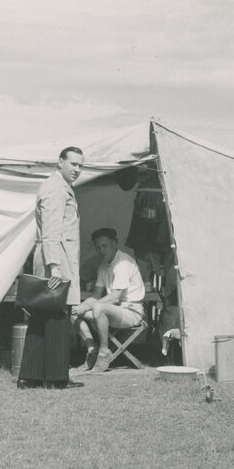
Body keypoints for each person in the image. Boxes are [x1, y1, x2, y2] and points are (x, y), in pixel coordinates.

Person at [73, 227, 146, 373]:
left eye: (104, 246)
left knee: (98, 308)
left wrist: (89, 306)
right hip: (114, 310)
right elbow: (96, 295)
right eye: (98, 247)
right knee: (73, 311)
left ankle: (104, 352)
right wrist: (81, 306)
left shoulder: (122, 263)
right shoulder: (103, 266)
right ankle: (93, 350)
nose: (101, 250)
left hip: (132, 312)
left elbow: (115, 297)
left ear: (115, 244)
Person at [34, 146, 83, 313]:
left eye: (80, 166)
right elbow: (51, 230)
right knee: (55, 321)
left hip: (60, 261)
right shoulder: (55, 188)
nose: (77, 170)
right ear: (60, 162)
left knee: (48, 320)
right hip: (55, 264)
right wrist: (55, 267)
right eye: (73, 164)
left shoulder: (62, 187)